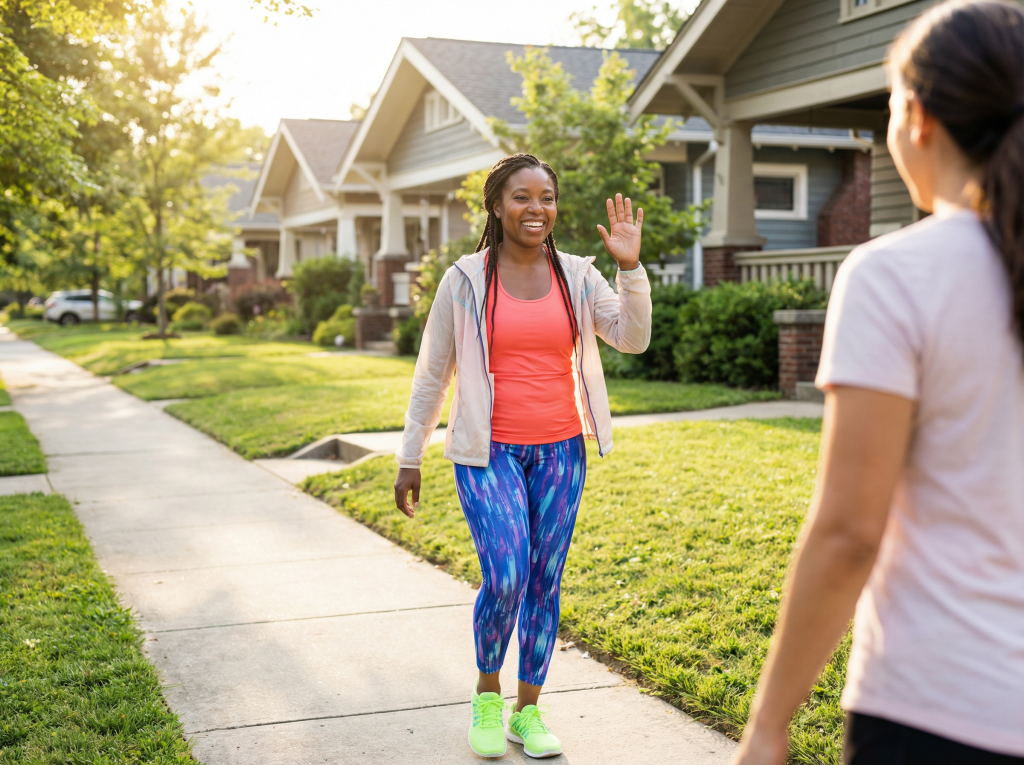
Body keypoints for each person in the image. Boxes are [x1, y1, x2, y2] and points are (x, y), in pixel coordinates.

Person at [732, 1, 1024, 763]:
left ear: (919, 118)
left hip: (940, 708)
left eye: (891, 104)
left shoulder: (896, 274)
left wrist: (767, 723)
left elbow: (849, 531)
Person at [393, 153, 652, 759]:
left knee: (544, 580)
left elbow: (633, 339)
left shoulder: (579, 277)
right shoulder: (464, 279)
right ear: (495, 205)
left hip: (562, 448)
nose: (536, 209)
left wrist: (631, 269)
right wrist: (411, 455)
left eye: (546, 198)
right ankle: (488, 693)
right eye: (521, 197)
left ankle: (527, 711)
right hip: (488, 453)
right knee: (506, 574)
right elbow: (432, 374)